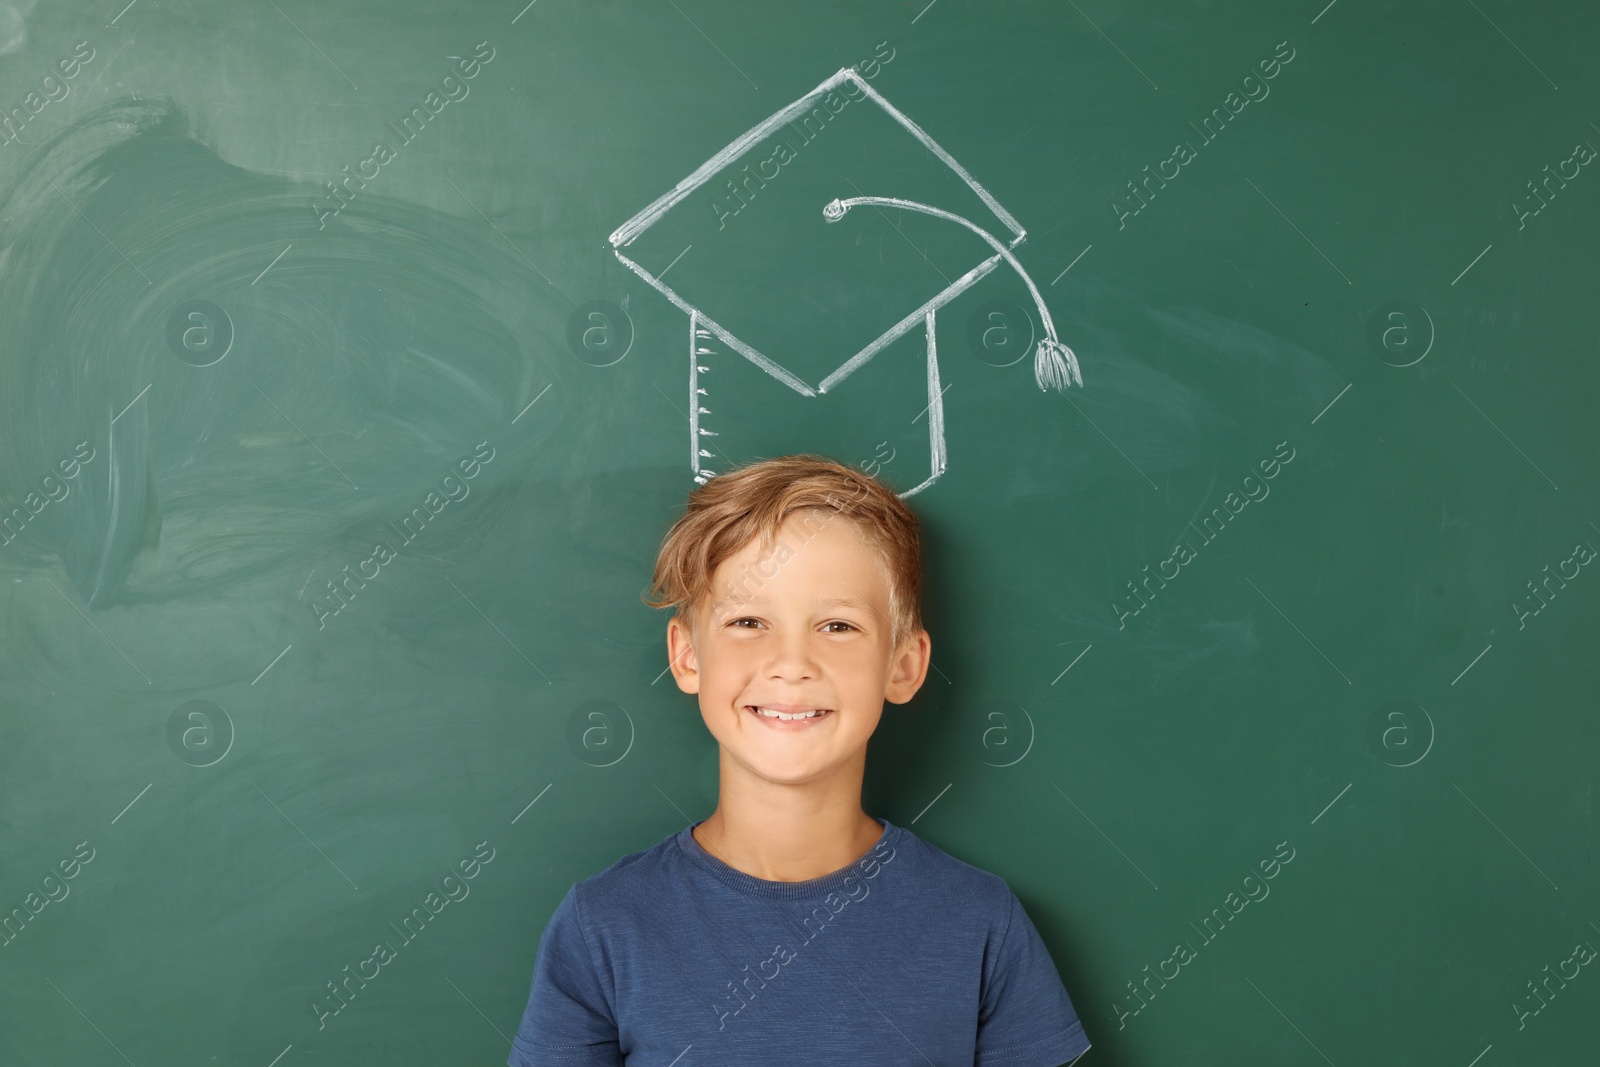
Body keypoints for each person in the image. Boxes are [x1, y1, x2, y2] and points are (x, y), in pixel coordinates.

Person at [508, 455, 1091, 1065]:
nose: (791, 663)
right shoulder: (603, 928)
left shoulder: (979, 925)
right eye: (748, 620)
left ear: (904, 665)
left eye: (837, 626)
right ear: (687, 656)